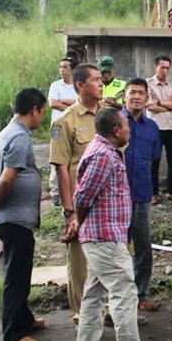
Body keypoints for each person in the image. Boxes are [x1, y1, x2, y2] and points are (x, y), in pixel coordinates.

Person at [64, 108, 164, 341]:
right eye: (125, 126)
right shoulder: (103, 156)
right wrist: (79, 221)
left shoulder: (105, 151)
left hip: (104, 236)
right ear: (116, 130)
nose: (129, 129)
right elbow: (82, 196)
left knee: (94, 295)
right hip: (104, 238)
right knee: (124, 294)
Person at [0, 88, 47, 341]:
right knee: (16, 276)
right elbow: (6, 179)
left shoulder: (6, 132)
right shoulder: (19, 137)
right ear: (34, 110)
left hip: (11, 216)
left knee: (21, 270)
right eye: (42, 112)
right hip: (14, 218)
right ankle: (14, 334)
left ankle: (25, 319)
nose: (42, 117)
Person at [51, 63, 101, 321]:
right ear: (80, 85)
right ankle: (82, 311)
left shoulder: (109, 117)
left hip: (108, 202)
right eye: (95, 80)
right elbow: (61, 167)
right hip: (81, 202)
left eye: (101, 79)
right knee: (80, 256)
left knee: (114, 253)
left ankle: (110, 307)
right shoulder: (65, 122)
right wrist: (69, 210)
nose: (101, 84)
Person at [122, 79, 162, 312]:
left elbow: (155, 157)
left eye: (141, 93)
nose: (137, 97)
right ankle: (120, 296)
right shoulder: (114, 122)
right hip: (117, 196)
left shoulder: (152, 127)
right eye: (132, 93)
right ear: (124, 97)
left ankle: (141, 293)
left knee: (143, 245)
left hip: (142, 193)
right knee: (119, 247)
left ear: (147, 98)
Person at [147, 55, 172, 203]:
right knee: (154, 161)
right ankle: (153, 193)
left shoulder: (171, 85)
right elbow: (149, 106)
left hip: (171, 127)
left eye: (167, 68)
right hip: (155, 126)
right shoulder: (148, 84)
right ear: (155, 67)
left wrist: (160, 102)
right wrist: (169, 106)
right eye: (162, 67)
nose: (165, 71)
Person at [47, 56, 78, 206]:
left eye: (65, 67)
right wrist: (72, 107)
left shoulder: (77, 86)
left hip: (73, 127)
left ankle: (71, 190)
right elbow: (53, 103)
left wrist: (64, 102)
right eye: (60, 67)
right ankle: (55, 191)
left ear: (72, 69)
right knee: (56, 158)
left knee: (73, 158)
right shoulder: (55, 85)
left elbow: (80, 102)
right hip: (57, 127)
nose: (62, 70)